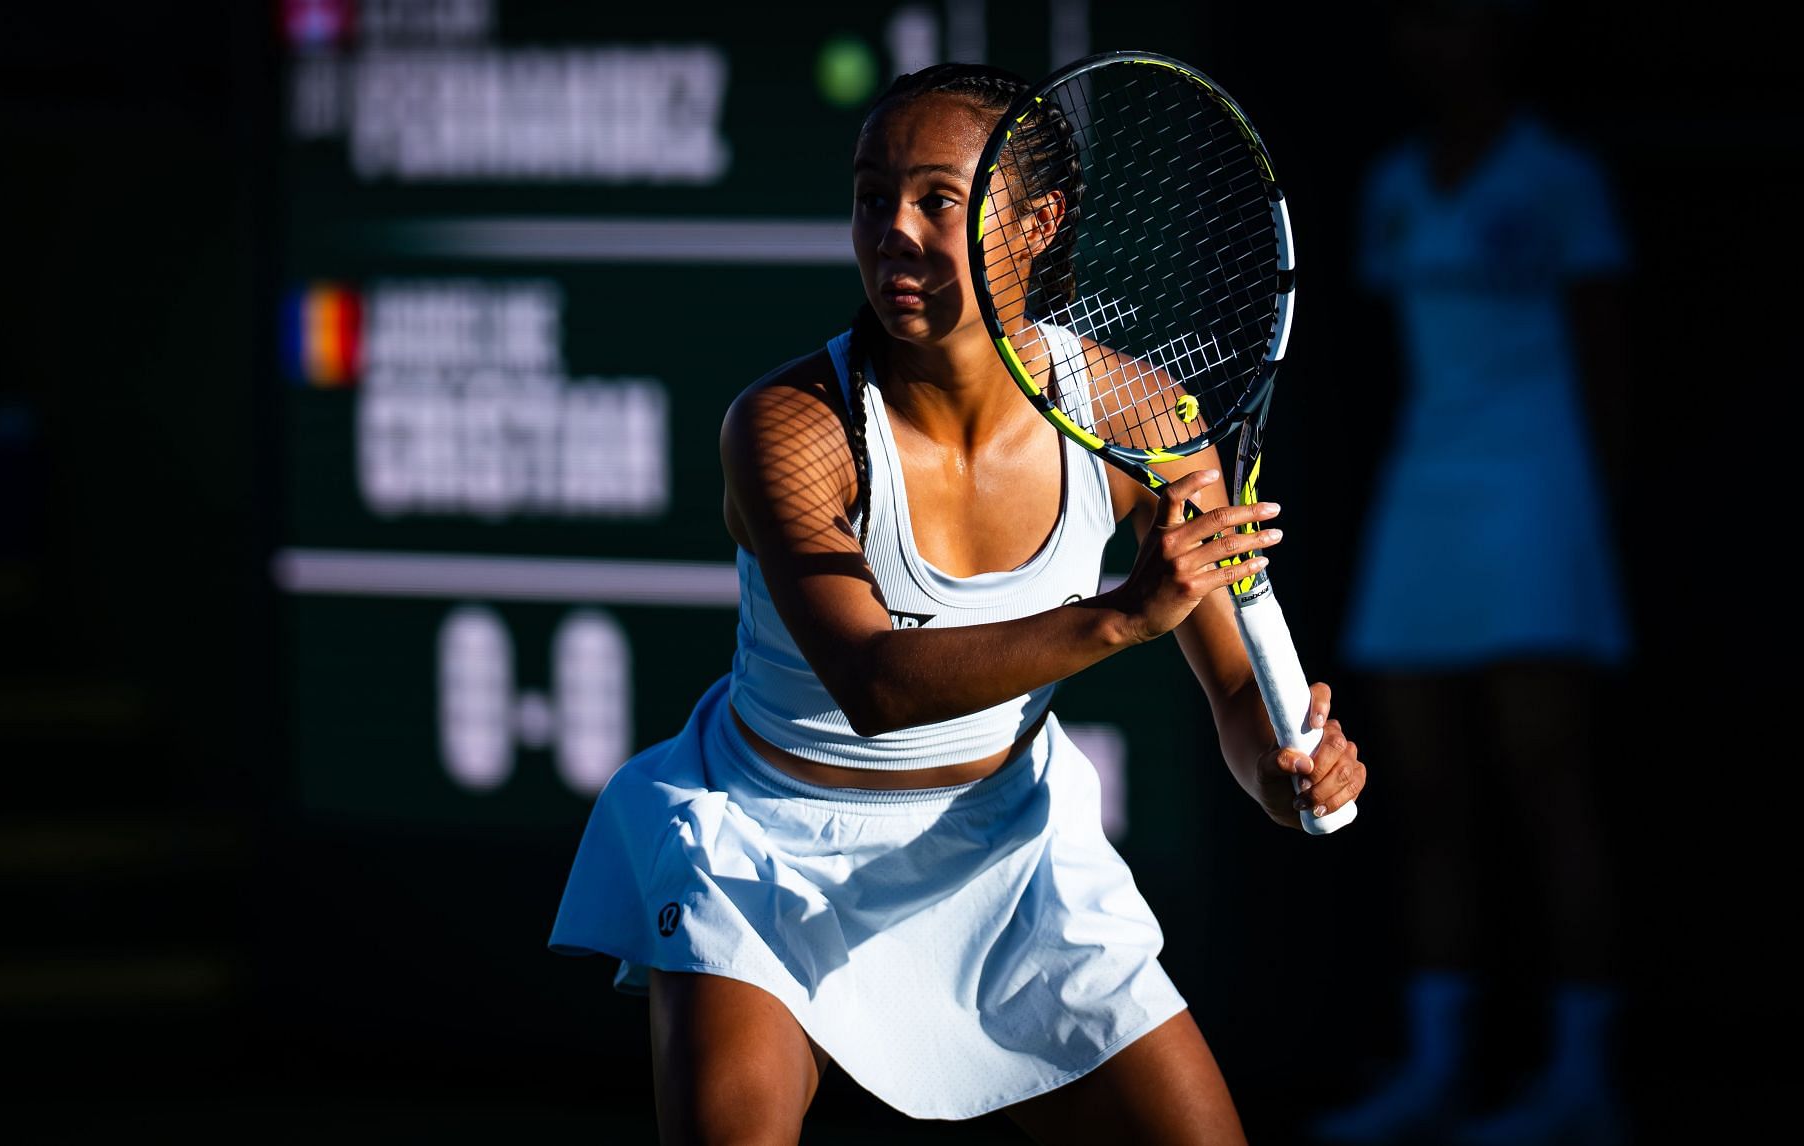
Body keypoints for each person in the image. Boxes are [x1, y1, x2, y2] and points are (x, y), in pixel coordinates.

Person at [550, 63, 1366, 1144]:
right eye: (869, 193)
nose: (892, 229)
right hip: (768, 847)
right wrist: (1122, 615)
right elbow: (874, 683)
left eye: (937, 199)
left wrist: (1283, 769)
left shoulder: (1143, 414)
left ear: (1038, 223)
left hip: (1012, 848)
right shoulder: (790, 427)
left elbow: (1235, 688)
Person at [1309, 6, 1631, 1145]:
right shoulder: (1391, 179)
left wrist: (1596, 528)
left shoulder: (1560, 176)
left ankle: (1581, 1083)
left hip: (1540, 496)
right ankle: (1438, 1071)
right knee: (1427, 800)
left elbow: (1603, 361)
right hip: (1423, 499)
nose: (1440, 36)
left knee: (1550, 794)